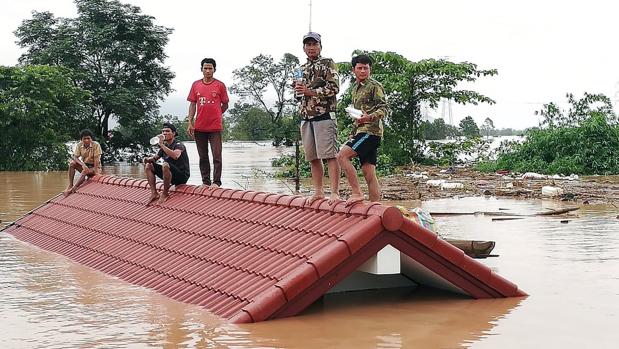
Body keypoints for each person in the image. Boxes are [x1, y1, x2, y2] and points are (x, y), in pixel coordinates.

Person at [294, 32, 340, 204]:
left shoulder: (328, 63)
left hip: (324, 115)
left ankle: (335, 192)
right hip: (306, 116)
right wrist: (298, 91)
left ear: (320, 46)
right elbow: (298, 95)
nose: (311, 47)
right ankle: (318, 191)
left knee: (330, 155)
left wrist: (310, 91)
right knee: (312, 157)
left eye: (314, 44)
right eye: (308, 45)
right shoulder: (300, 69)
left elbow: (334, 88)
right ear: (304, 48)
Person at [336, 54, 389, 205]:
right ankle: (375, 206)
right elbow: (358, 114)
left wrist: (369, 117)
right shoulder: (355, 89)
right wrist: (353, 131)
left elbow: (384, 109)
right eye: (360, 68)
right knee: (368, 173)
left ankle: (357, 193)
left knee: (342, 156)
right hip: (361, 131)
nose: (363, 71)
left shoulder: (374, 86)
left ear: (370, 69)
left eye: (366, 68)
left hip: (371, 132)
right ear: (354, 70)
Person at [186, 58, 229, 187]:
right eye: (205, 68)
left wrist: (217, 114)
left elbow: (225, 104)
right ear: (201, 69)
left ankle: (216, 182)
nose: (208, 70)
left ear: (214, 69)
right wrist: (190, 122)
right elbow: (192, 104)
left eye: (210, 68)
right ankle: (205, 181)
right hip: (200, 126)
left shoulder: (220, 85)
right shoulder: (196, 85)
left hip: (215, 127)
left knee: (217, 155)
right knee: (203, 156)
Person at [143, 123, 190, 204]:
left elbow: (175, 156)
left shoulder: (179, 145)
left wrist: (161, 144)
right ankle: (154, 193)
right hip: (169, 173)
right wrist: (147, 159)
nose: (164, 133)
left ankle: (165, 194)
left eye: (167, 131)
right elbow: (155, 158)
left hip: (181, 176)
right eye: (163, 131)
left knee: (165, 164)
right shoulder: (164, 146)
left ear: (174, 133)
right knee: (148, 165)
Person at [64, 129, 102, 196]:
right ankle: (70, 184)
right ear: (81, 139)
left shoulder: (96, 145)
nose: (86, 140)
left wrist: (96, 172)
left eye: (88, 138)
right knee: (72, 164)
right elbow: (74, 157)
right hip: (85, 166)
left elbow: (97, 159)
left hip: (95, 167)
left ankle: (74, 188)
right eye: (84, 138)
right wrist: (82, 164)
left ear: (91, 139)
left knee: (84, 171)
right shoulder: (79, 145)